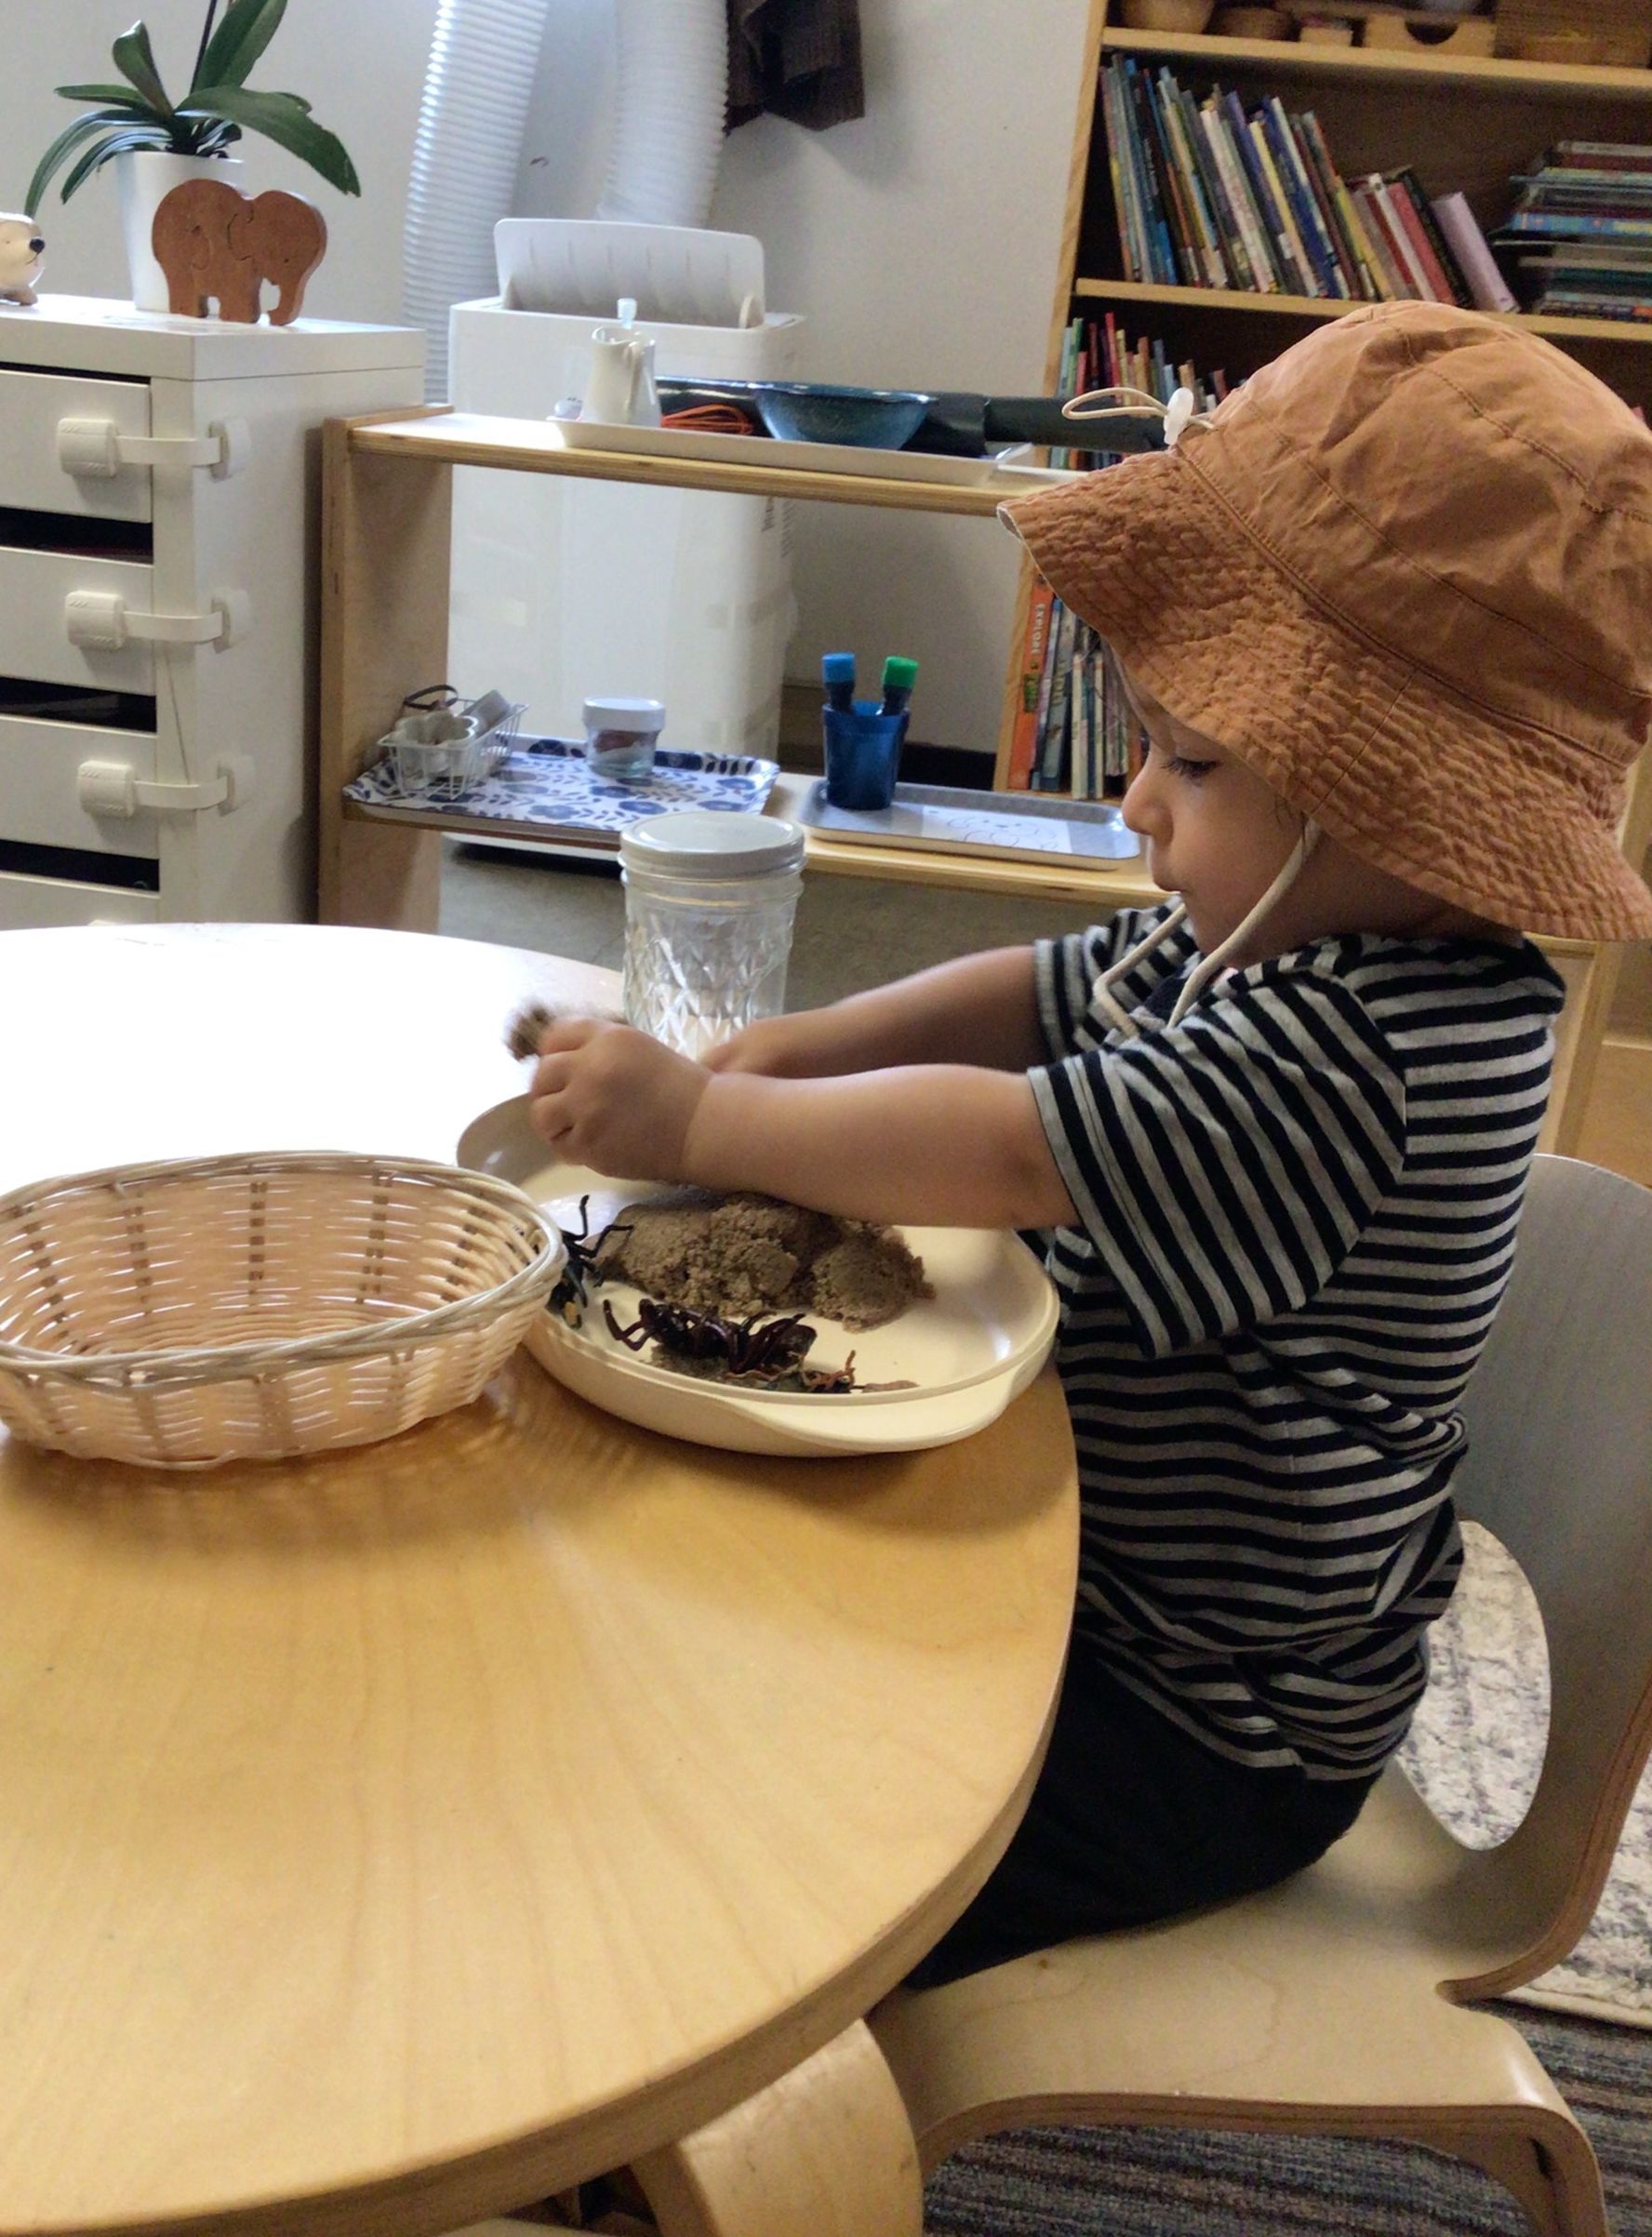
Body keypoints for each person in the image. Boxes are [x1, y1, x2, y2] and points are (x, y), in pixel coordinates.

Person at [526, 302, 1652, 1984]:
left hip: (1195, 1731)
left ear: (1402, 812)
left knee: (746, 1874)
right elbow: (1040, 994)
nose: (1137, 807)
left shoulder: (1368, 1052)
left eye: (1190, 766)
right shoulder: (1280, 930)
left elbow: (1014, 1152)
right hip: (1096, 1592)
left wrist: (707, 1116)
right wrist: (801, 1047)